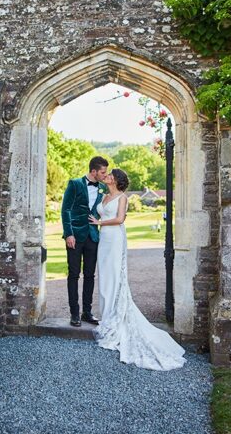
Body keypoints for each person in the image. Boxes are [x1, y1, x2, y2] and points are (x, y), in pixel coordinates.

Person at [89, 168, 186, 371]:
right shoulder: (104, 195)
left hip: (114, 237)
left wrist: (99, 222)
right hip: (104, 240)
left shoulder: (122, 197)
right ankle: (106, 317)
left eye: (109, 175)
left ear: (116, 180)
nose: (106, 176)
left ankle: (114, 319)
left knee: (115, 277)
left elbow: (120, 219)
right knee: (105, 277)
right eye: (105, 175)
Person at [61, 156, 108, 327]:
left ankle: (87, 312)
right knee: (73, 274)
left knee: (90, 275)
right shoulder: (75, 184)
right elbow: (65, 210)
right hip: (75, 236)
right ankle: (74, 313)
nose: (105, 175)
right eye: (103, 172)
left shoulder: (103, 188)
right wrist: (69, 234)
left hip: (93, 237)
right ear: (93, 171)